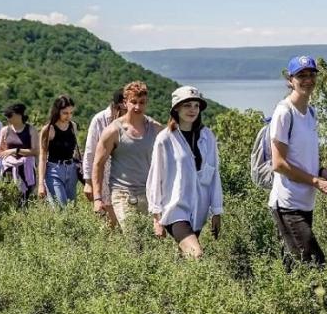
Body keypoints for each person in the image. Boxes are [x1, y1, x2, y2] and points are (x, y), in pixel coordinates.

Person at [268, 56, 327, 270]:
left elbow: (302, 156)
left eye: (311, 74)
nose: (308, 80)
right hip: (287, 204)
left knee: (292, 268)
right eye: (301, 75)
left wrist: (323, 172)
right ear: (290, 80)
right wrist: (316, 182)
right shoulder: (284, 112)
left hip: (305, 203)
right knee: (315, 265)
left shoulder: (310, 112)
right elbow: (279, 164)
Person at [146, 86, 224, 259]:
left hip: (198, 210)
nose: (192, 110)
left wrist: (216, 211)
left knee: (184, 258)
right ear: (176, 108)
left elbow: (214, 175)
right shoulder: (165, 139)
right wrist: (156, 216)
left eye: (196, 106)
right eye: (187, 105)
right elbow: (155, 177)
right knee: (196, 254)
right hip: (174, 209)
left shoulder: (207, 137)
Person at [93, 81, 162, 233]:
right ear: (125, 103)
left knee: (150, 239)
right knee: (133, 237)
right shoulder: (113, 131)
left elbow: (169, 161)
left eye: (142, 102)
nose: (137, 107)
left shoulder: (155, 129)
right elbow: (98, 164)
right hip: (122, 194)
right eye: (133, 102)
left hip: (149, 193)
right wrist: (97, 198)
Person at [83, 89, 126, 227]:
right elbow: (90, 151)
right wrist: (88, 182)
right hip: (104, 175)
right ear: (117, 106)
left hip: (125, 176)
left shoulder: (133, 121)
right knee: (109, 221)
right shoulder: (99, 120)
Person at [38, 95, 81, 207]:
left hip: (71, 170)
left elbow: (75, 150)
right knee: (61, 208)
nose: (69, 116)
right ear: (57, 111)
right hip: (54, 171)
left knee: (72, 208)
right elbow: (42, 157)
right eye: (65, 113)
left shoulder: (73, 126)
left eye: (71, 113)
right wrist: (40, 184)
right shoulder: (49, 129)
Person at [0, 103, 39, 205]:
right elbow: (1, 148)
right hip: (9, 168)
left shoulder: (31, 130)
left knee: (25, 198)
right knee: (9, 197)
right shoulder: (5, 130)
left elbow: (35, 151)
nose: (7, 118)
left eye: (10, 115)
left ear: (19, 115)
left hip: (26, 168)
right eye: (6, 116)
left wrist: (15, 151)